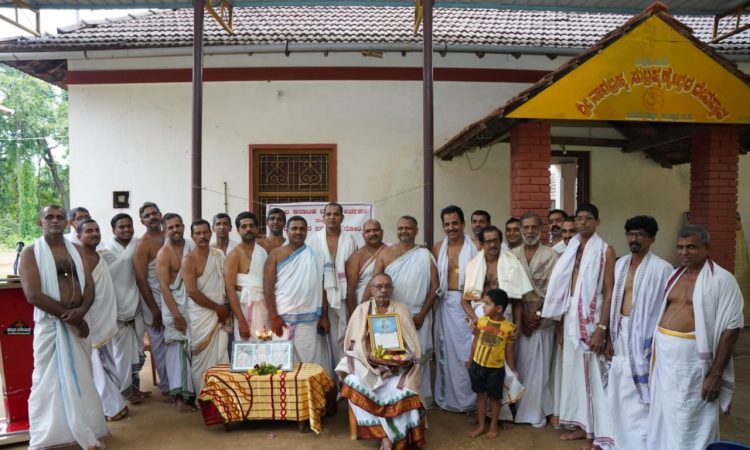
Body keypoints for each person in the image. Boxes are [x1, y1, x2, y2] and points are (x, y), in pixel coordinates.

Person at [647, 225, 744, 450]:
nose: (684, 252)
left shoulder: (722, 279)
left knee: (691, 417)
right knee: (664, 416)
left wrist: (715, 375)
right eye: (680, 247)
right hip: (665, 361)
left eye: (691, 247)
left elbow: (732, 328)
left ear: (706, 248)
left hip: (695, 364)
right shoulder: (674, 276)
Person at [20, 205, 108, 450]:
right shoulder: (31, 253)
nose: (55, 220)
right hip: (51, 326)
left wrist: (82, 311)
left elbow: (89, 286)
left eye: (60, 217)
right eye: (49, 217)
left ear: (66, 222)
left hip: (78, 321)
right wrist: (74, 319)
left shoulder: (77, 250)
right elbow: (33, 295)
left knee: (83, 378)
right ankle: (53, 437)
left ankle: (86, 429)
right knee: (48, 382)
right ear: (40, 222)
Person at [542, 203, 615, 449]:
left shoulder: (605, 250)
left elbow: (609, 291)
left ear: (597, 222)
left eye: (588, 218)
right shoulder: (571, 249)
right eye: (579, 218)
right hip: (571, 317)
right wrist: (562, 326)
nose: (583, 222)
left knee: (592, 378)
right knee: (575, 376)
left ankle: (596, 432)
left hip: (591, 319)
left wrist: (602, 329)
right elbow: (566, 291)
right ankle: (583, 426)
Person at [336, 273, 426, 450]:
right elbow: (353, 344)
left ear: (392, 289)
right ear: (371, 289)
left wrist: (399, 357)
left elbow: (412, 343)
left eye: (387, 286)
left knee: (407, 389)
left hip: (398, 368)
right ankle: (385, 436)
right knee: (352, 382)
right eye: (378, 286)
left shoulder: (402, 309)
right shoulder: (361, 310)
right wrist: (369, 355)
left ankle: (396, 436)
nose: (383, 290)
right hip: (368, 366)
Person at [607, 216, 672, 449]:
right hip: (619, 333)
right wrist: (608, 336)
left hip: (645, 338)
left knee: (640, 394)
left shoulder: (663, 269)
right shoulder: (620, 264)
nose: (634, 239)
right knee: (619, 389)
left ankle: (640, 444)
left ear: (652, 238)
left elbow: (666, 306)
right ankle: (617, 440)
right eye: (631, 234)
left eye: (640, 235)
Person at [373, 215, 439, 408]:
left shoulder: (424, 255)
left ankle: (418, 400)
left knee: (418, 359)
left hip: (419, 316)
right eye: (401, 228)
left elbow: (435, 286)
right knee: (392, 358)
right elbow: (374, 283)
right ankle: (395, 400)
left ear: (416, 231)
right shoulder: (385, 253)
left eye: (408, 228)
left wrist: (422, 315)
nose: (404, 231)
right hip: (391, 316)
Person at [510, 212, 559, 427]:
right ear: (521, 229)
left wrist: (537, 314)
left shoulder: (552, 256)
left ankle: (536, 412)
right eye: (526, 227)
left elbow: (556, 290)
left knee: (540, 370)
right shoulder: (512, 255)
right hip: (519, 320)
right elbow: (509, 289)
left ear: (541, 229)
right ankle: (520, 408)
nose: (530, 231)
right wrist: (523, 315)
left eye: (534, 227)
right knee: (521, 365)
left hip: (543, 321)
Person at [264, 216, 331, 371]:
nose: (298, 232)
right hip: (281, 319)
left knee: (308, 362)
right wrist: (274, 317)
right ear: (287, 230)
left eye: (302, 229)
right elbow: (267, 287)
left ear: (307, 231)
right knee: (280, 363)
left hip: (309, 319)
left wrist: (324, 316)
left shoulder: (316, 255)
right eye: (294, 228)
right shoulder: (275, 254)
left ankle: (306, 387)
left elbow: (321, 287)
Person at [78, 218, 127, 421]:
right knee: (97, 366)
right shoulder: (78, 258)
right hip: (91, 321)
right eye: (89, 231)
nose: (94, 233)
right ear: (79, 235)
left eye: (97, 230)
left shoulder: (99, 255)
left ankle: (114, 402)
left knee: (108, 363)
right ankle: (110, 409)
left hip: (105, 319)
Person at [432, 205, 477, 412]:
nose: (451, 228)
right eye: (447, 224)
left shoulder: (475, 247)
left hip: (468, 303)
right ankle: (448, 398)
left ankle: (471, 400)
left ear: (463, 224)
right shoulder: (437, 248)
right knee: (445, 354)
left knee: (467, 352)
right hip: (445, 304)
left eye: (455, 223)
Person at [100, 213, 149, 405]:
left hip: (135, 305)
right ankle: (125, 392)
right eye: (121, 227)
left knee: (136, 350)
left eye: (129, 226)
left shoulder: (138, 245)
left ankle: (134, 390)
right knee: (121, 355)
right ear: (113, 230)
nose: (126, 229)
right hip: (116, 308)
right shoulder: (104, 250)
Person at [308, 202, 358, 375]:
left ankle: (344, 380)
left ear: (342, 218)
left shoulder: (350, 240)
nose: (332, 217)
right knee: (323, 343)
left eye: (336, 214)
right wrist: (323, 313)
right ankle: (328, 381)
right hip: (320, 298)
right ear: (323, 217)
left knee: (344, 340)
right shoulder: (314, 240)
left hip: (343, 298)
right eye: (328, 214)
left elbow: (353, 273)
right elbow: (314, 276)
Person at [183, 219, 231, 393]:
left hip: (221, 313)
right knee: (201, 358)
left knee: (221, 354)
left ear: (211, 233)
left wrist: (225, 307)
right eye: (198, 233)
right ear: (192, 236)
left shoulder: (218, 255)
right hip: (201, 315)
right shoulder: (189, 260)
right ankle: (204, 398)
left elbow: (226, 282)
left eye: (205, 232)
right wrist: (218, 308)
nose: (202, 236)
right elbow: (192, 292)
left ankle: (222, 396)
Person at [155, 212, 196, 412]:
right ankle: (179, 396)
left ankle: (192, 394)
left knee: (192, 351)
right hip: (174, 308)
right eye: (170, 227)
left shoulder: (191, 246)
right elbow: (164, 287)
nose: (175, 230)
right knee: (176, 352)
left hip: (192, 305)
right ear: (164, 231)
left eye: (178, 226)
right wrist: (177, 315)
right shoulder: (164, 253)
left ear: (183, 226)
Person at [467, 288, 518, 439]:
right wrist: (470, 360)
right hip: (477, 366)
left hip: (496, 370)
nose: (483, 307)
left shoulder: (509, 328)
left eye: (487, 304)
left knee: (495, 399)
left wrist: (513, 370)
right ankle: (482, 426)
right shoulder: (480, 322)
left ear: (499, 308)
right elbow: (475, 343)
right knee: (481, 396)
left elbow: (509, 351)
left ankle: (493, 426)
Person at [133, 202, 170, 396]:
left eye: (154, 213)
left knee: (177, 342)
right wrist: (155, 309)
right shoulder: (143, 244)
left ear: (160, 214)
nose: (152, 217)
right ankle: (167, 387)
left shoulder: (169, 236)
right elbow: (141, 279)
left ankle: (182, 384)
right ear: (142, 221)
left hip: (175, 297)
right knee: (160, 344)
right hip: (153, 300)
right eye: (147, 215)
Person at [225, 211, 269, 342]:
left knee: (265, 346)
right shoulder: (234, 254)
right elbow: (229, 289)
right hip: (243, 309)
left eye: (251, 226)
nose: (248, 229)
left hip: (263, 306)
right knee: (246, 349)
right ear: (238, 230)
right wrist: (241, 321)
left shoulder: (262, 252)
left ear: (257, 229)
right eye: (244, 226)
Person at [345, 219, 386, 315]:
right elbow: (350, 291)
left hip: (389, 304)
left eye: (376, 230)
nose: (372, 233)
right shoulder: (356, 257)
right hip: (364, 306)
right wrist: (354, 316)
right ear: (363, 235)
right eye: (368, 231)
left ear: (382, 232)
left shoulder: (391, 250)